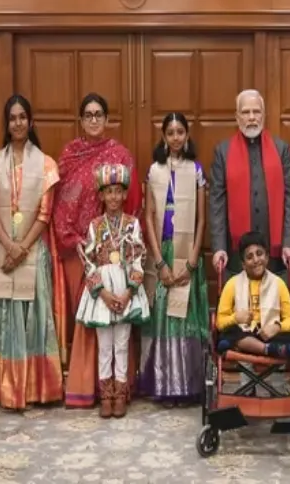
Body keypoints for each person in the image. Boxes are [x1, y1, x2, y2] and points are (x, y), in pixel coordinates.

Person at [0, 94, 63, 410]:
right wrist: (9, 246)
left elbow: (45, 214)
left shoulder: (48, 165)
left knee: (32, 317)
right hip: (0, 251)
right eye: (13, 118)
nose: (18, 123)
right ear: (7, 124)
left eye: (23, 116)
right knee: (2, 317)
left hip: (33, 252)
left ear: (31, 121)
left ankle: (36, 389)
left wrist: (22, 247)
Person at [54, 93, 143, 409]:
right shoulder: (70, 154)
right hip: (79, 249)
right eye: (88, 114)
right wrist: (76, 240)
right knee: (90, 319)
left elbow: (133, 203)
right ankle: (88, 389)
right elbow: (60, 201)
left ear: (106, 119)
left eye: (99, 114)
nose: (93, 119)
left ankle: (119, 390)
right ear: (81, 120)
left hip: (117, 258)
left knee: (118, 332)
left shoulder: (118, 154)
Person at [141, 112, 209, 407]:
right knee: (163, 321)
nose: (176, 137)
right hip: (162, 252)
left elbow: (202, 219)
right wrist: (159, 262)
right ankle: (164, 384)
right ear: (164, 137)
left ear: (187, 134)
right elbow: (148, 216)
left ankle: (188, 385)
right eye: (171, 132)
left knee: (185, 321)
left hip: (188, 252)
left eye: (181, 131)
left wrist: (192, 261)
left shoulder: (195, 170)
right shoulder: (153, 171)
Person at [75, 164, 150, 418]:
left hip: (125, 288)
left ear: (125, 194)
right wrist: (104, 294)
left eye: (119, 192)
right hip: (104, 292)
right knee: (104, 345)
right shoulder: (95, 226)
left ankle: (121, 394)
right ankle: (105, 395)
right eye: (109, 192)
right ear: (101, 196)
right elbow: (88, 262)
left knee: (122, 344)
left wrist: (129, 293)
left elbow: (139, 257)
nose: (114, 197)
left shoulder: (133, 224)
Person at [209, 89, 290, 282]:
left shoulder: (281, 149)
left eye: (256, 112)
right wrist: (218, 248)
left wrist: (289, 243)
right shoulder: (223, 152)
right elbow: (217, 203)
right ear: (237, 116)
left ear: (264, 115)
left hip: (275, 254)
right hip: (236, 255)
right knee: (239, 310)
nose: (251, 117)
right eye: (245, 112)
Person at [216, 231, 290, 359]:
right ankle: (266, 349)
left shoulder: (279, 283)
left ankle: (256, 347)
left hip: (270, 334)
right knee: (230, 333)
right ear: (243, 264)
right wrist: (236, 318)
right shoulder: (232, 284)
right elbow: (219, 322)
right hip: (244, 333)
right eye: (249, 257)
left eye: (259, 254)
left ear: (267, 257)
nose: (255, 260)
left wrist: (277, 327)